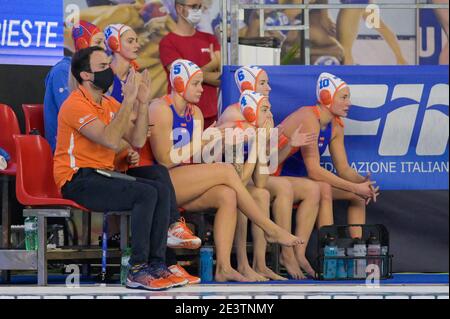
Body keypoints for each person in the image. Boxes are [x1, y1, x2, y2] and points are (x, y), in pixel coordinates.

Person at [147, 59, 303, 282]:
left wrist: (258, 140)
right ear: (180, 83)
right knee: (226, 171)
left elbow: (200, 160)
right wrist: (206, 140)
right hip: (161, 181)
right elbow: (164, 160)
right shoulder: (160, 108)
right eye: (197, 84)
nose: (203, 89)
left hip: (185, 181)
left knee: (227, 195)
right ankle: (269, 228)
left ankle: (224, 267)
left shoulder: (196, 113)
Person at [53, 46, 186, 291]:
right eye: (103, 67)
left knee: (159, 180)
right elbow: (111, 140)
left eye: (108, 65)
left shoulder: (108, 102)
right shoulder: (75, 105)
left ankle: (159, 263)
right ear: (86, 75)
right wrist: (128, 102)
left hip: (105, 173)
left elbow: (136, 140)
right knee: (147, 193)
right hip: (78, 179)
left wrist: (142, 103)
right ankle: (137, 269)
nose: (109, 71)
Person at [104, 23, 202, 284]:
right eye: (130, 40)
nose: (137, 45)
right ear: (114, 44)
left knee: (158, 175)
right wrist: (136, 121)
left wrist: (138, 119)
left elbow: (137, 120)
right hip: (110, 157)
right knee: (153, 185)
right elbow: (111, 121)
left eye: (137, 40)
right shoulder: (106, 78)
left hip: (130, 154)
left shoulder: (136, 75)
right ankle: (156, 263)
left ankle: (166, 253)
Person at [219, 66, 320, 279]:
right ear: (247, 87)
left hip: (245, 177)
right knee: (244, 193)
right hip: (224, 178)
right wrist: (259, 142)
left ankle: (261, 263)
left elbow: (261, 179)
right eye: (263, 83)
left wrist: (273, 144)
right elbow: (237, 179)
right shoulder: (233, 116)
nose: (269, 88)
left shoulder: (266, 116)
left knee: (262, 193)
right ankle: (243, 264)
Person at [277, 72, 380, 238]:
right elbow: (314, 171)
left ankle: (358, 250)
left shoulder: (337, 125)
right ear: (326, 97)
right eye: (344, 97)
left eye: (349, 98)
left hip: (299, 178)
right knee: (323, 187)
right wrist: (354, 186)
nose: (349, 103)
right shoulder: (308, 118)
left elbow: (344, 168)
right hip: (276, 174)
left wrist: (362, 183)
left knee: (358, 196)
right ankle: (328, 250)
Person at [44, 21, 106, 152]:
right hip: (68, 149)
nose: (104, 48)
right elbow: (76, 116)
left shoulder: (95, 72)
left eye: (104, 43)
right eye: (98, 42)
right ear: (82, 45)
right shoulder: (62, 71)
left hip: (93, 141)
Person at [159, 0, 221, 129]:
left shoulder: (210, 39)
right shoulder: (167, 43)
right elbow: (182, 78)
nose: (198, 10)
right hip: (180, 115)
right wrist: (212, 64)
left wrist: (195, 75)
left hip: (211, 115)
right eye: (193, 6)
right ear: (179, 8)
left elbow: (220, 78)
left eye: (199, 6)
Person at [336, 0, 408, 65]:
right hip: (361, 2)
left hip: (353, 3)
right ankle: (401, 59)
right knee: (382, 28)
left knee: (344, 49)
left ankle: (348, 77)